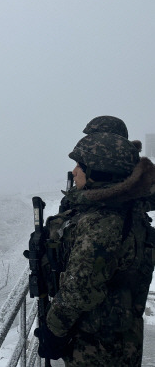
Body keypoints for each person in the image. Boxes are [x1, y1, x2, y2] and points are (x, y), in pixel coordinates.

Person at [35, 131, 155, 366]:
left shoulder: (102, 221)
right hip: (117, 335)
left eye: (80, 165)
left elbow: (80, 289)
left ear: (99, 172)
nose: (74, 171)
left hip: (98, 346)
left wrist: (53, 330)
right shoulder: (121, 209)